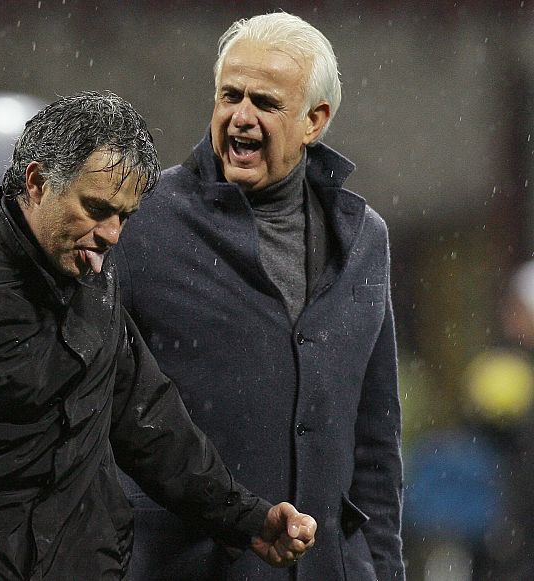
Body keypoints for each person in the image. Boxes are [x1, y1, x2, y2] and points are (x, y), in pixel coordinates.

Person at [0, 91, 317, 580]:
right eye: (96, 209)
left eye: (124, 217)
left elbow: (146, 419)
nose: (111, 235)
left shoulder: (94, 272)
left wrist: (248, 520)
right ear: (36, 182)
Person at [115, 12, 404, 580]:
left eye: (266, 103)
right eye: (230, 95)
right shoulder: (143, 220)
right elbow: (92, 406)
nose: (240, 117)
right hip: (179, 567)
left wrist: (384, 568)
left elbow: (376, 439)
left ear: (313, 121)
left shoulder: (365, 237)